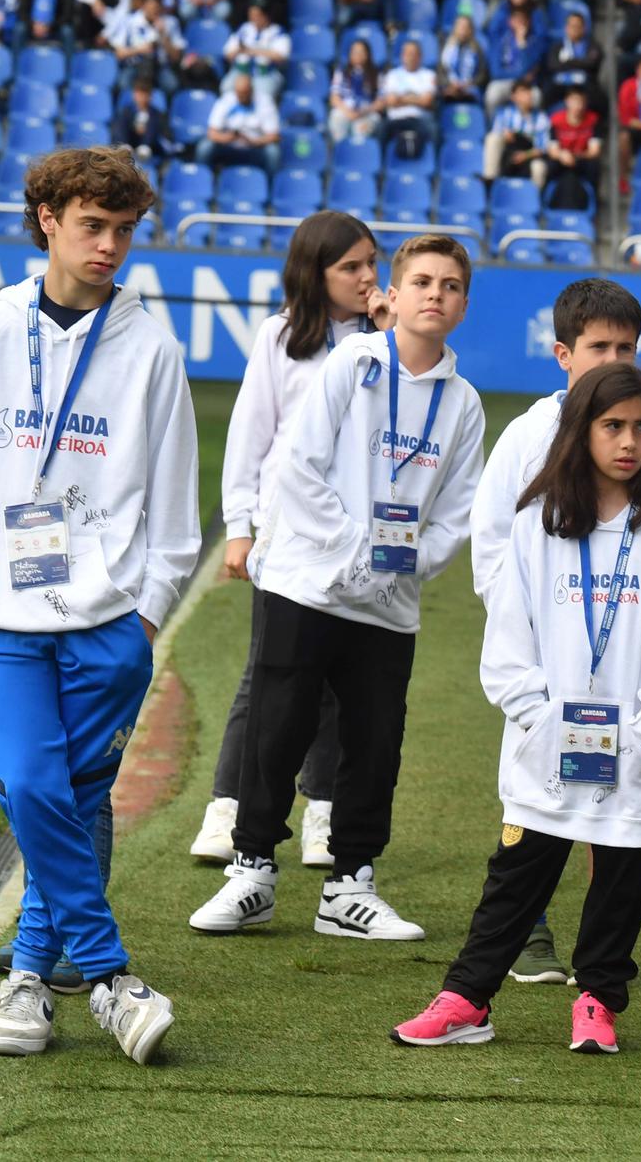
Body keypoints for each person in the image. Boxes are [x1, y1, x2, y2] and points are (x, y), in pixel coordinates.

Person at [0, 148, 196, 1065]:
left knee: (76, 799)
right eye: (93, 226)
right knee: (36, 787)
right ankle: (113, 976)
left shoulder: (152, 348)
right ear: (47, 218)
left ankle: (29, 985)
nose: (111, 245)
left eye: (123, 230)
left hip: (106, 622)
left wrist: (146, 615)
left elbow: (175, 504)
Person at [391, 361, 641, 1055]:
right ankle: (467, 998)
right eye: (613, 425)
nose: (629, 441)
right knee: (519, 871)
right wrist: (539, 719)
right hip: (547, 744)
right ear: (580, 431)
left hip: (635, 742)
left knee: (622, 872)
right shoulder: (538, 524)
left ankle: (597, 999)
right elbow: (508, 641)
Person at [190, 236, 485, 940]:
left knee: (374, 742)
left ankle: (350, 885)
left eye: (449, 285)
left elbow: (457, 512)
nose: (435, 294)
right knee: (278, 726)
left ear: (464, 304)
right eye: (421, 280)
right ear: (397, 289)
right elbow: (298, 466)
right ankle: (252, 870)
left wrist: (403, 565)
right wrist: (356, 549)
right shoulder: (355, 364)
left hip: (388, 604)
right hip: (307, 582)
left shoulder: (463, 403)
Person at [468, 279, 641, 959]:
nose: (613, 359)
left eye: (626, 346)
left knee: (621, 803)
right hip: (552, 655)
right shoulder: (527, 435)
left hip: (630, 664)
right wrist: (537, 637)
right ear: (563, 353)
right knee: (536, 799)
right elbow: (494, 549)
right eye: (599, 346)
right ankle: (531, 925)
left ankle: (603, 950)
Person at [190, 213, 390, 863]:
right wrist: (240, 529)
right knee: (267, 675)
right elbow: (251, 436)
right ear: (316, 272)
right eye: (350, 266)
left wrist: (389, 336)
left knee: (339, 680)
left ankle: (322, 814)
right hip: (286, 536)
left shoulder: (389, 341)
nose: (366, 277)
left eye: (371, 263)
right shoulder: (281, 336)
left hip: (356, 536)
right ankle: (230, 807)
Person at [198, 72, 282, 174]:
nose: (241, 97)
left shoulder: (264, 101)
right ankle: (204, 181)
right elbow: (211, 132)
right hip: (229, 145)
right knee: (205, 147)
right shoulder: (226, 100)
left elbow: (274, 136)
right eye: (239, 93)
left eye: (245, 93)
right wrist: (227, 138)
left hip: (255, 146)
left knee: (272, 152)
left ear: (251, 90)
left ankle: (270, 184)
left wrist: (255, 141)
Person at [485, 79, 551, 188]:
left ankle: (534, 199)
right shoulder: (504, 114)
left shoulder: (541, 118)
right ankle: (490, 180)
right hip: (508, 153)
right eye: (523, 92)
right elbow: (496, 134)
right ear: (514, 97)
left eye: (529, 91)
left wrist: (525, 155)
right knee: (493, 138)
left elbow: (543, 148)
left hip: (529, 155)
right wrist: (504, 135)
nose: (527, 95)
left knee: (539, 167)